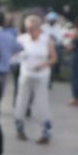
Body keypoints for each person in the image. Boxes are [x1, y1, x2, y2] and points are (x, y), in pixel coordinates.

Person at [14, 15, 57, 144]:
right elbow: (14, 55)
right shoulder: (22, 39)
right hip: (26, 74)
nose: (30, 32)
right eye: (28, 29)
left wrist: (43, 65)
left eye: (33, 29)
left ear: (38, 29)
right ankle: (19, 126)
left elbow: (54, 58)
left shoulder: (46, 40)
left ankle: (46, 129)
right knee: (22, 100)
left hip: (41, 75)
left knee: (41, 101)